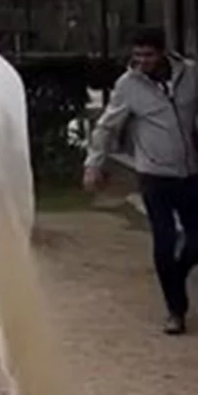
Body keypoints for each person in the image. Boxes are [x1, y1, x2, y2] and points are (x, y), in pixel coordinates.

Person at [83, 24, 198, 334]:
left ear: (162, 52)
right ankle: (176, 311)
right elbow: (107, 126)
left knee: (195, 242)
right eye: (136, 55)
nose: (142, 61)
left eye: (148, 54)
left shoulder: (190, 75)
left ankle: (176, 270)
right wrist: (94, 163)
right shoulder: (128, 85)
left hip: (191, 174)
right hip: (154, 176)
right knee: (164, 241)